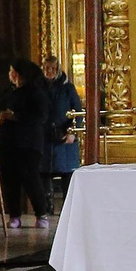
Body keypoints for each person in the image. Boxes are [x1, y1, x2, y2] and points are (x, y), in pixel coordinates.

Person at [0, 58, 51, 229]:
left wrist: (16, 116)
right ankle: (14, 215)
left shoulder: (36, 92)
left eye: (12, 70)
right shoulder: (9, 92)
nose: (10, 74)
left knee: (31, 178)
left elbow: (40, 117)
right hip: (8, 142)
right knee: (10, 180)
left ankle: (41, 214)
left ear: (19, 74)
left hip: (28, 143)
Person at [41, 53, 83, 190]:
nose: (50, 71)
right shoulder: (38, 87)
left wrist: (73, 132)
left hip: (65, 136)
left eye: (53, 68)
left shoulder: (68, 88)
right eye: (46, 68)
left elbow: (77, 111)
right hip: (44, 137)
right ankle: (47, 208)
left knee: (67, 175)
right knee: (44, 174)